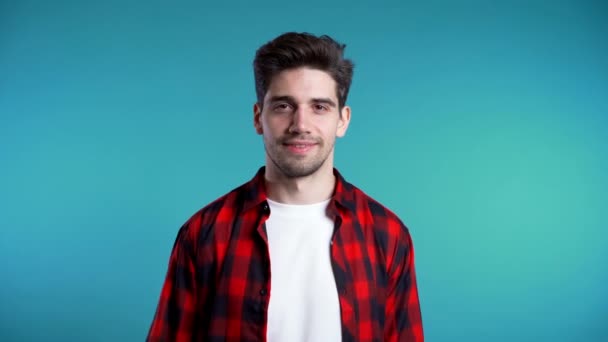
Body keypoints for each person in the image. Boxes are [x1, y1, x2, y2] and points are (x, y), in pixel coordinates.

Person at [147, 32, 423, 342]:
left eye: (319, 107)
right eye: (283, 106)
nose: (301, 124)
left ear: (343, 120)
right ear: (258, 118)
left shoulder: (386, 234)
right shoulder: (204, 234)